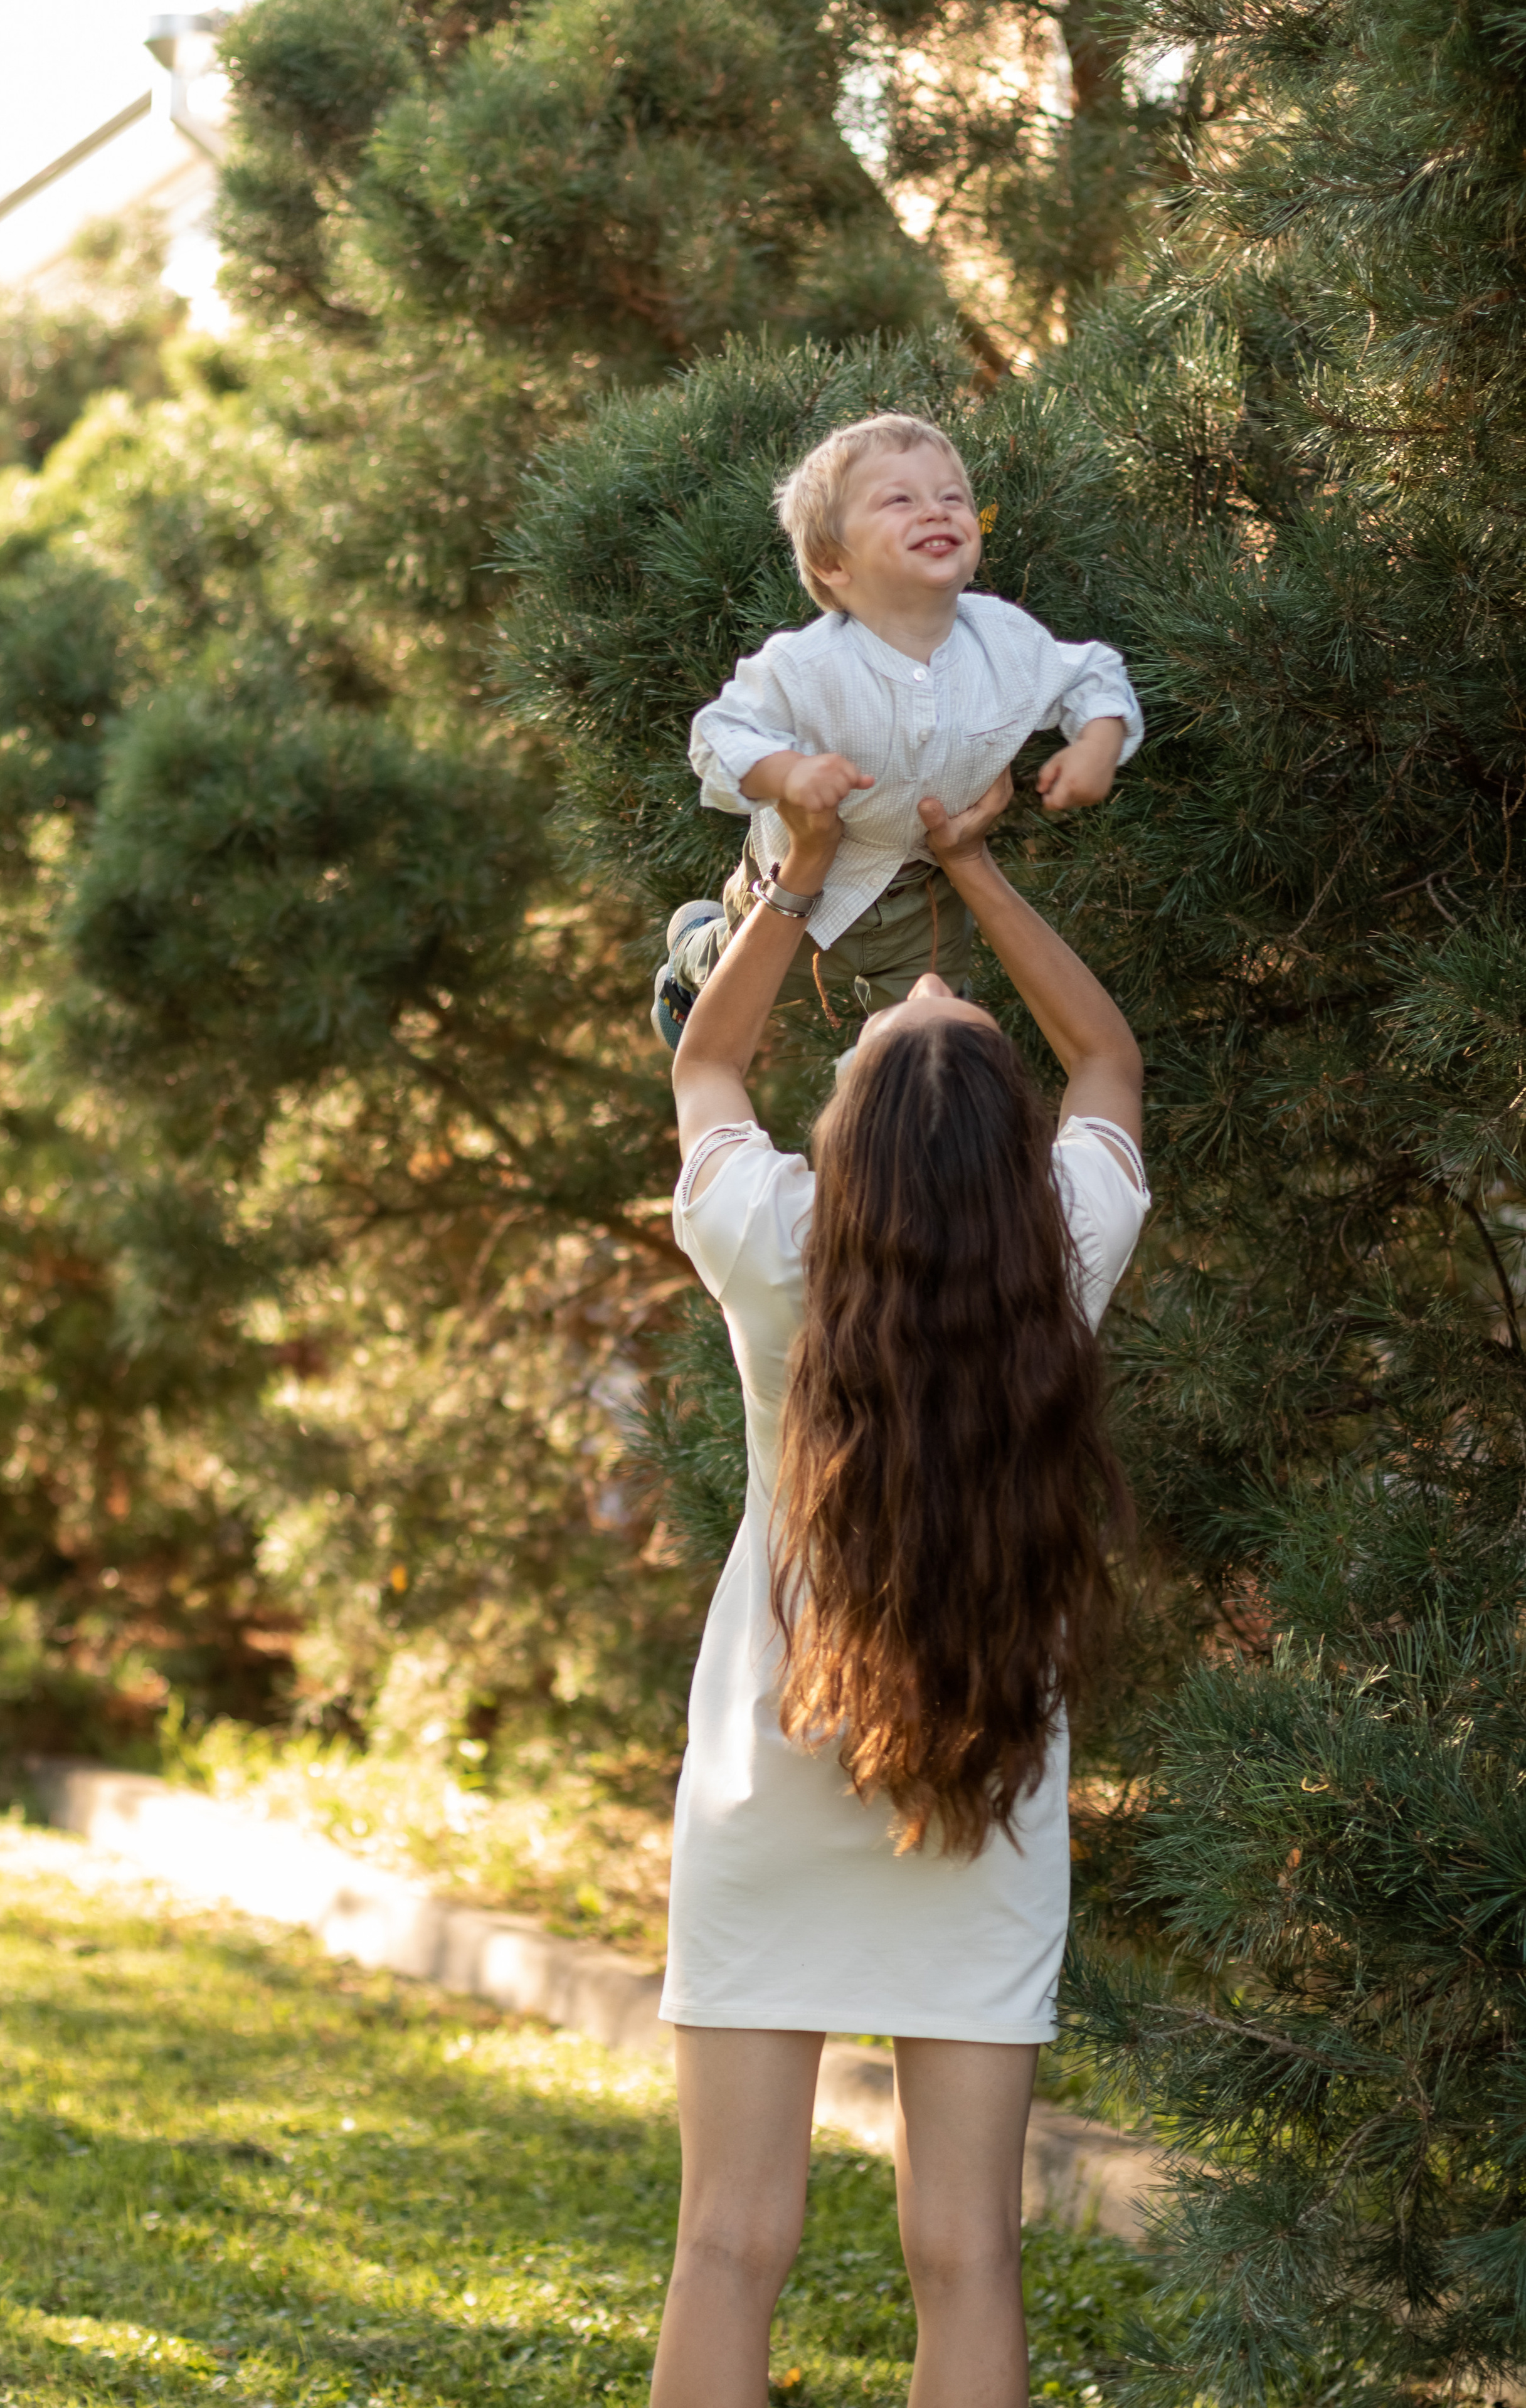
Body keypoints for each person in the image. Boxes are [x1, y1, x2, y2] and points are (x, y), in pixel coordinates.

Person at [650, 759, 1150, 2408]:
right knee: (968, 2250)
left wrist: (798, 877)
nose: (923, 984)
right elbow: (1107, 1055)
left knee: (729, 2239)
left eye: (902, 1017)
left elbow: (710, 1054)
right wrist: (977, 871)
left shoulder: (779, 1246)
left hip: (769, 1774)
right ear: (1011, 1153)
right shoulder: (1058, 1255)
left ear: (847, 1137)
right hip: (984, 1782)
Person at [651, 411, 1143, 1047]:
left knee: (924, 1038)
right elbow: (717, 736)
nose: (936, 511)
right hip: (799, 889)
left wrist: (1097, 742)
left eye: (952, 497)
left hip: (925, 894)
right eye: (899, 501)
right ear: (832, 560)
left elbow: (1092, 673)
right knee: (752, 981)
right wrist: (789, 772)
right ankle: (694, 957)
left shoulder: (1003, 640)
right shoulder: (806, 666)